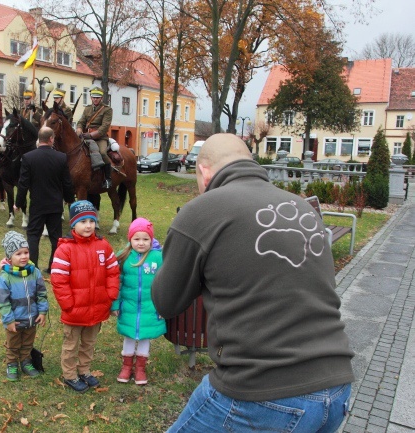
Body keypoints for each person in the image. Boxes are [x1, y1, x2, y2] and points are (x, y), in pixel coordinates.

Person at [151, 133, 355, 433]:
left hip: (261, 392)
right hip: (336, 387)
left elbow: (166, 301)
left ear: (204, 171)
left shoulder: (203, 209)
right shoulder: (301, 207)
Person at [50, 200, 120, 393]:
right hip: (74, 309)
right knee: (71, 344)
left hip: (97, 306)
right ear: (73, 224)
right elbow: (58, 279)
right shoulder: (65, 249)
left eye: (91, 220)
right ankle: (70, 374)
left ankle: (85, 370)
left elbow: (113, 271)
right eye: (83, 221)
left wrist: (110, 295)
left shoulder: (103, 245)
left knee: (89, 343)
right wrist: (68, 304)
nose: (88, 225)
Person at [112, 218, 166, 386]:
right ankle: (127, 366)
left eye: (145, 239)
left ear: (151, 239)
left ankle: (140, 368)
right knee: (129, 336)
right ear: (130, 239)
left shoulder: (158, 257)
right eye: (137, 239)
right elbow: (117, 283)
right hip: (128, 306)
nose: (141, 243)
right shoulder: (124, 257)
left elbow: (166, 283)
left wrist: (164, 306)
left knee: (144, 337)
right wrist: (115, 304)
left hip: (151, 307)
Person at [16, 126, 75, 273]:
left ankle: (33, 267)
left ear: (39, 139)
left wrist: (18, 203)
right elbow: (67, 182)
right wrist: (69, 199)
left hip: (37, 204)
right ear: (51, 139)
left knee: (33, 236)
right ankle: (53, 267)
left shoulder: (28, 157)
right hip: (55, 205)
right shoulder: (61, 158)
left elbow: (23, 184)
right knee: (56, 238)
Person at [0, 231, 48, 381]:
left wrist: (42, 311)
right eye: (18, 254)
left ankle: (26, 360)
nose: (24, 256)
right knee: (13, 343)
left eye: (26, 252)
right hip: (15, 320)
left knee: (28, 342)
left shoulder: (35, 273)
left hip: (32, 318)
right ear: (9, 258)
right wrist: (9, 319)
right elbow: (3, 302)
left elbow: (41, 294)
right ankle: (11, 363)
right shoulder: (4, 278)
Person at [76, 87, 113, 189]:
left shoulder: (107, 109)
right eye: (93, 97)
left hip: (100, 138)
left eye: (97, 97)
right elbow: (81, 122)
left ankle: (108, 179)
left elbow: (104, 127)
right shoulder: (87, 108)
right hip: (86, 137)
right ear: (91, 98)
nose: (95, 99)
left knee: (102, 153)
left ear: (101, 98)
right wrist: (79, 130)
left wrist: (92, 135)